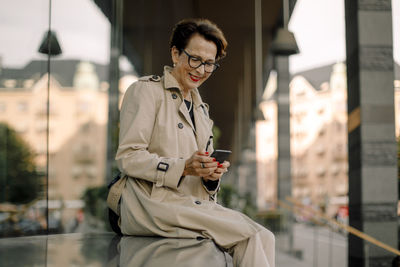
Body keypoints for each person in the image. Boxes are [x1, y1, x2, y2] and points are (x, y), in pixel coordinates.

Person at [112, 18, 275, 267]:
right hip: (152, 204)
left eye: (209, 63)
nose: (201, 70)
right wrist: (183, 167)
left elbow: (199, 172)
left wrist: (211, 175)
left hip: (187, 205)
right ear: (176, 54)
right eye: (195, 59)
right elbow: (128, 157)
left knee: (266, 236)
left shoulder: (201, 111)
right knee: (248, 237)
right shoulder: (145, 91)